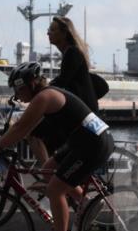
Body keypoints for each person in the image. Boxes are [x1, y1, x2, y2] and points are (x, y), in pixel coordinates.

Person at [0, 62, 114, 231]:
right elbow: (27, 129)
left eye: (18, 90)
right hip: (86, 141)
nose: (17, 96)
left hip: (92, 145)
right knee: (48, 168)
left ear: (31, 84)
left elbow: (21, 128)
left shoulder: (44, 97)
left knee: (55, 190)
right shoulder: (48, 94)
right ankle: (85, 202)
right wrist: (3, 140)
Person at [27, 16, 99, 165]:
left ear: (64, 33)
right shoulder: (71, 52)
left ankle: (47, 173)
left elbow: (62, 81)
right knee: (51, 143)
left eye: (52, 30)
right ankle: (55, 171)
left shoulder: (72, 52)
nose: (48, 33)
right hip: (82, 111)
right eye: (49, 30)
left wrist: (41, 89)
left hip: (79, 113)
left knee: (34, 134)